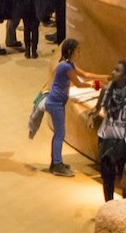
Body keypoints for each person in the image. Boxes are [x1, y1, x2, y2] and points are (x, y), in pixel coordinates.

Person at [45, 39, 108, 177]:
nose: (79, 52)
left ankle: (57, 162)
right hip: (55, 103)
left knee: (59, 133)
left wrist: (105, 77)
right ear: (70, 51)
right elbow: (79, 83)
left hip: (57, 102)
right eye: (77, 50)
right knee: (60, 134)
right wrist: (96, 85)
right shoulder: (66, 67)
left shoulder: (68, 64)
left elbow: (85, 74)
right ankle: (56, 164)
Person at [90, 60, 126, 201]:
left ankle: (125, 208)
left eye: (117, 70)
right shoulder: (106, 90)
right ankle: (109, 205)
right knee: (107, 177)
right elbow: (97, 108)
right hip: (106, 139)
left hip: (124, 140)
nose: (113, 72)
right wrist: (91, 116)